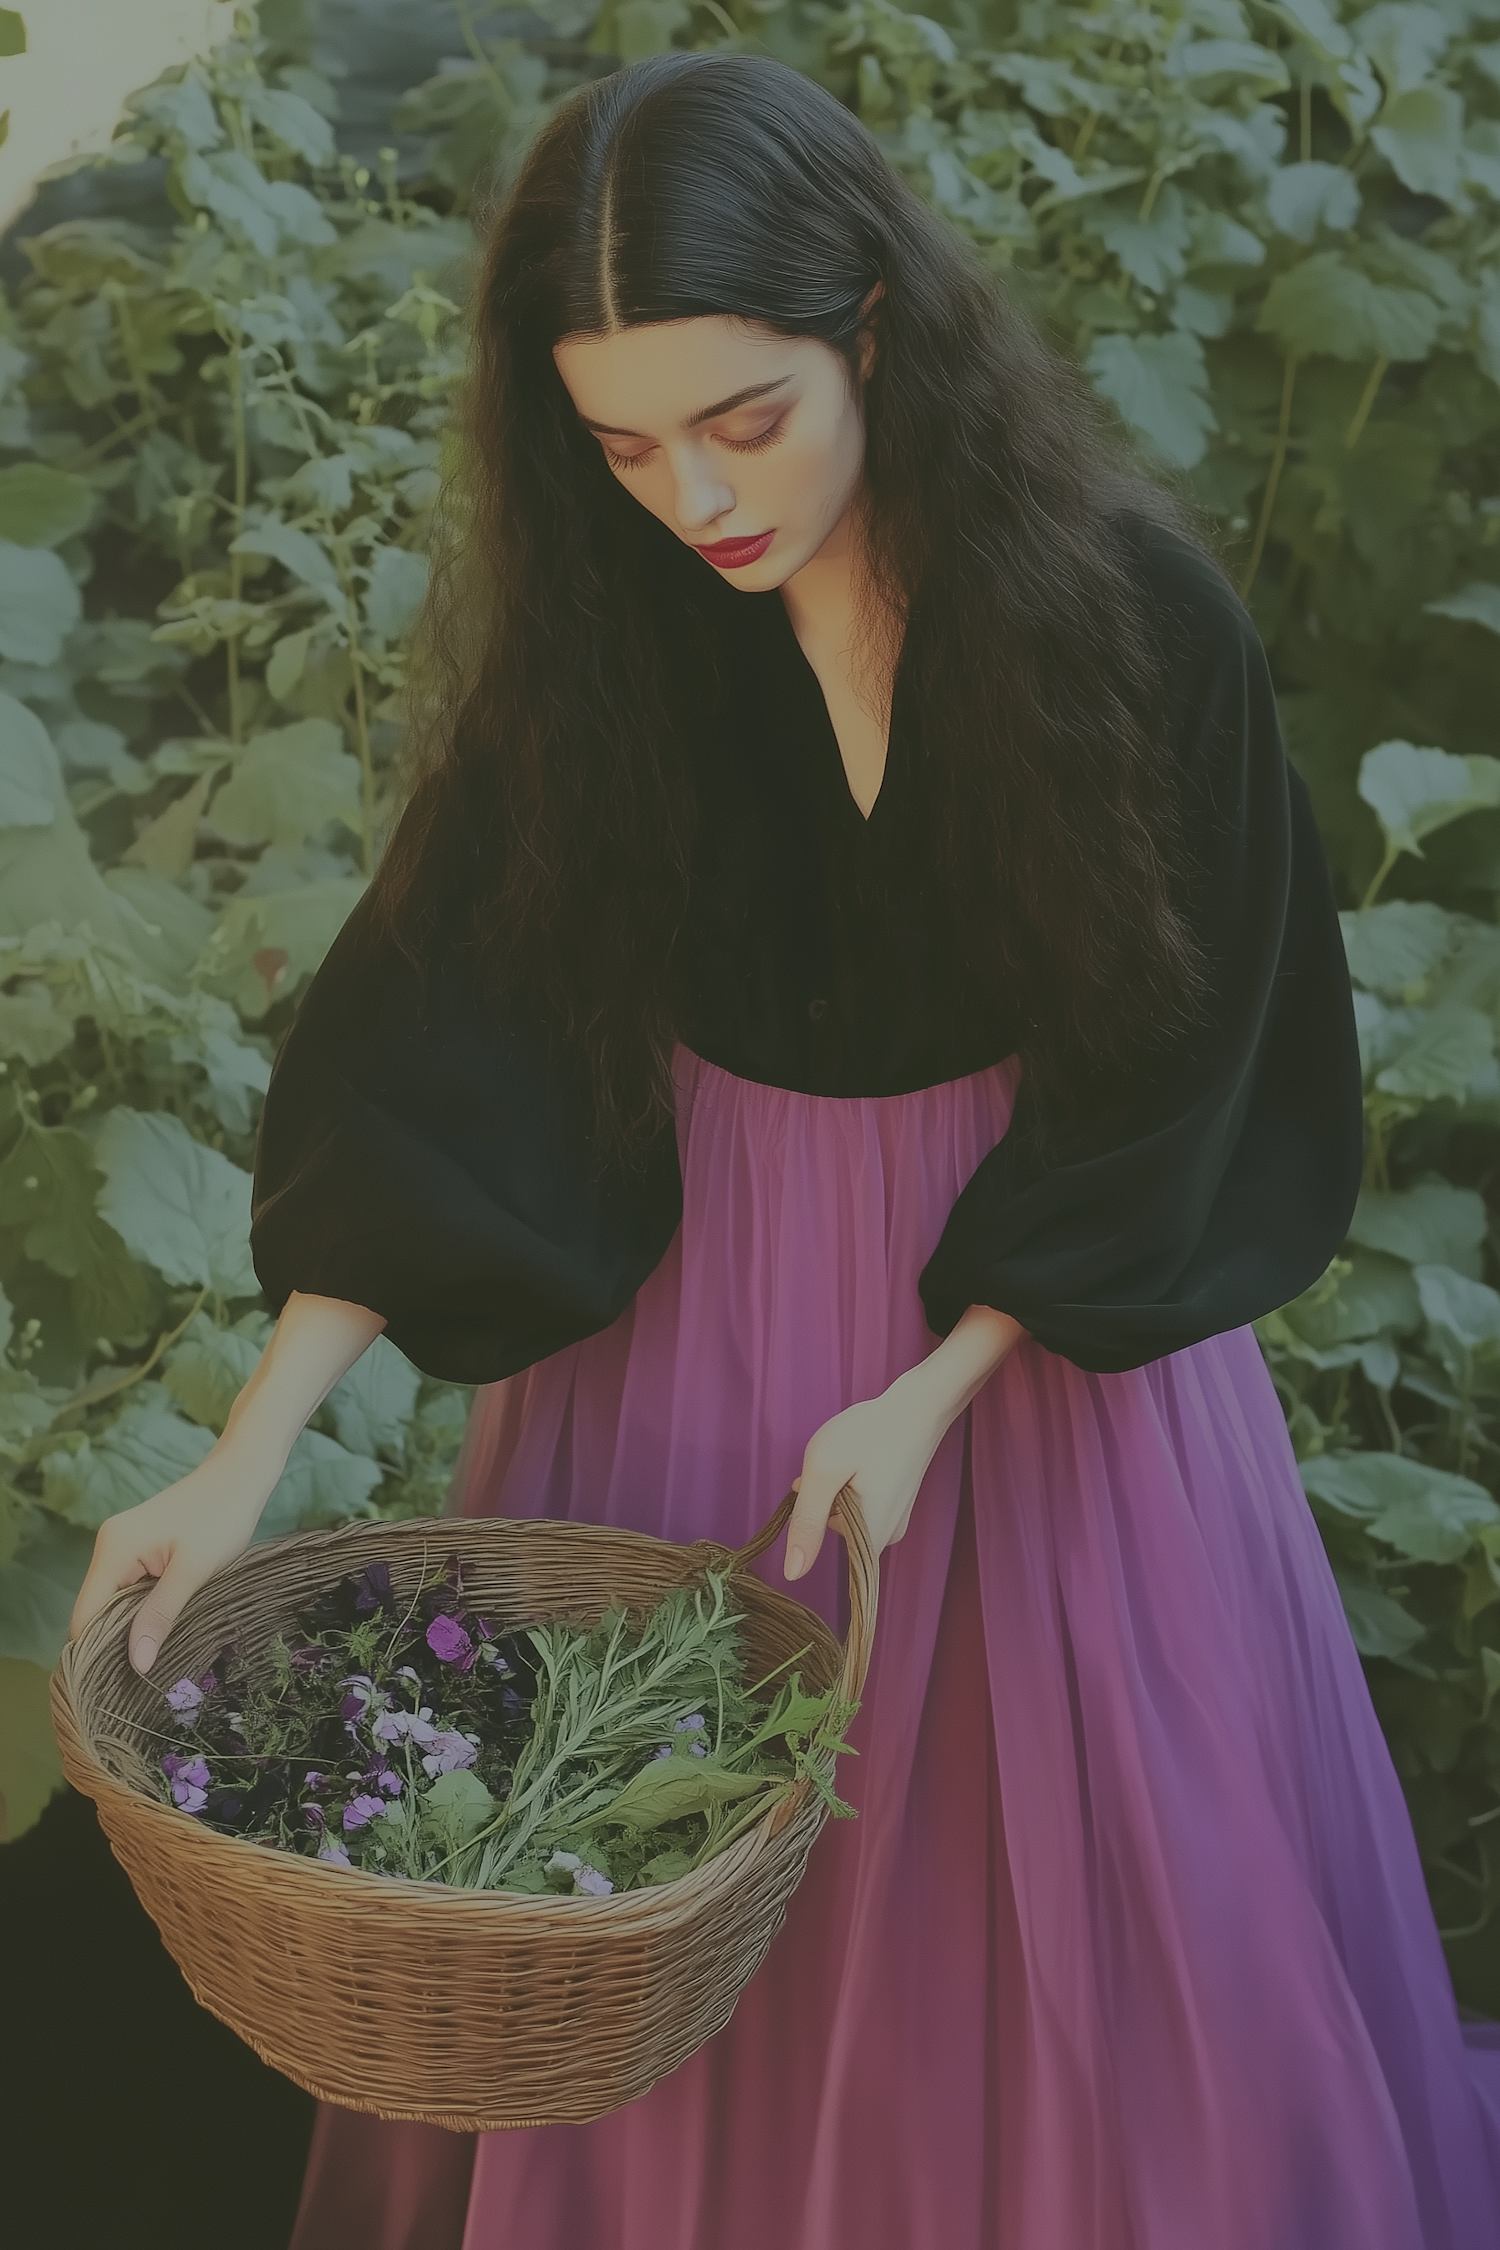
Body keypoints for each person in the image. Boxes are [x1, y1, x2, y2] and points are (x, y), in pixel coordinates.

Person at [71, 48, 1500, 2250]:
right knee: (635, 1862)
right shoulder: (623, 627)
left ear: (871, 329)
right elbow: (447, 1014)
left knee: (1071, 1899)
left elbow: (1189, 1058)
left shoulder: (1120, 613)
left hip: (1023, 1344)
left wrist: (939, 1387)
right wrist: (248, 1450)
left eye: (746, 421)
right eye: (624, 444)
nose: (698, 498)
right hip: (688, 1331)